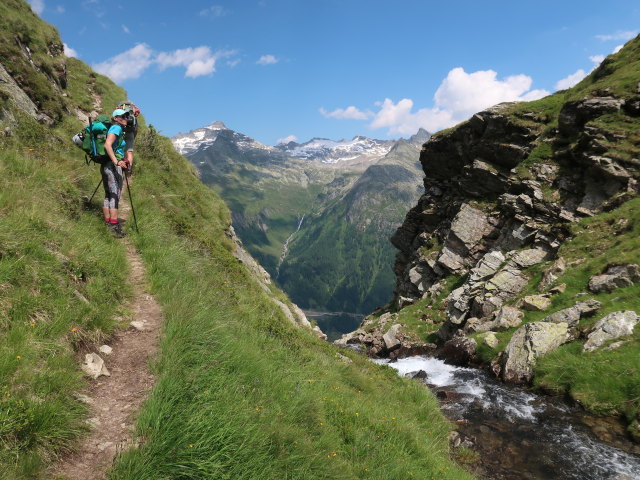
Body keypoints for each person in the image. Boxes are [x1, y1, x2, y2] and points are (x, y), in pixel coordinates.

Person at [101, 108, 129, 237]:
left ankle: (107, 223)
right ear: (116, 118)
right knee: (115, 195)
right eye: (122, 116)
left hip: (106, 165)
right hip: (112, 166)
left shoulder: (115, 128)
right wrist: (117, 162)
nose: (126, 118)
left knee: (108, 194)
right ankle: (114, 227)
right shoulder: (116, 128)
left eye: (126, 116)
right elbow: (108, 145)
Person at [116, 101, 140, 183]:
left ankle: (117, 163)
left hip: (121, 130)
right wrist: (133, 137)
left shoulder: (120, 111)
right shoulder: (134, 117)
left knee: (119, 147)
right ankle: (128, 168)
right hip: (130, 132)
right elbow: (136, 129)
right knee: (129, 152)